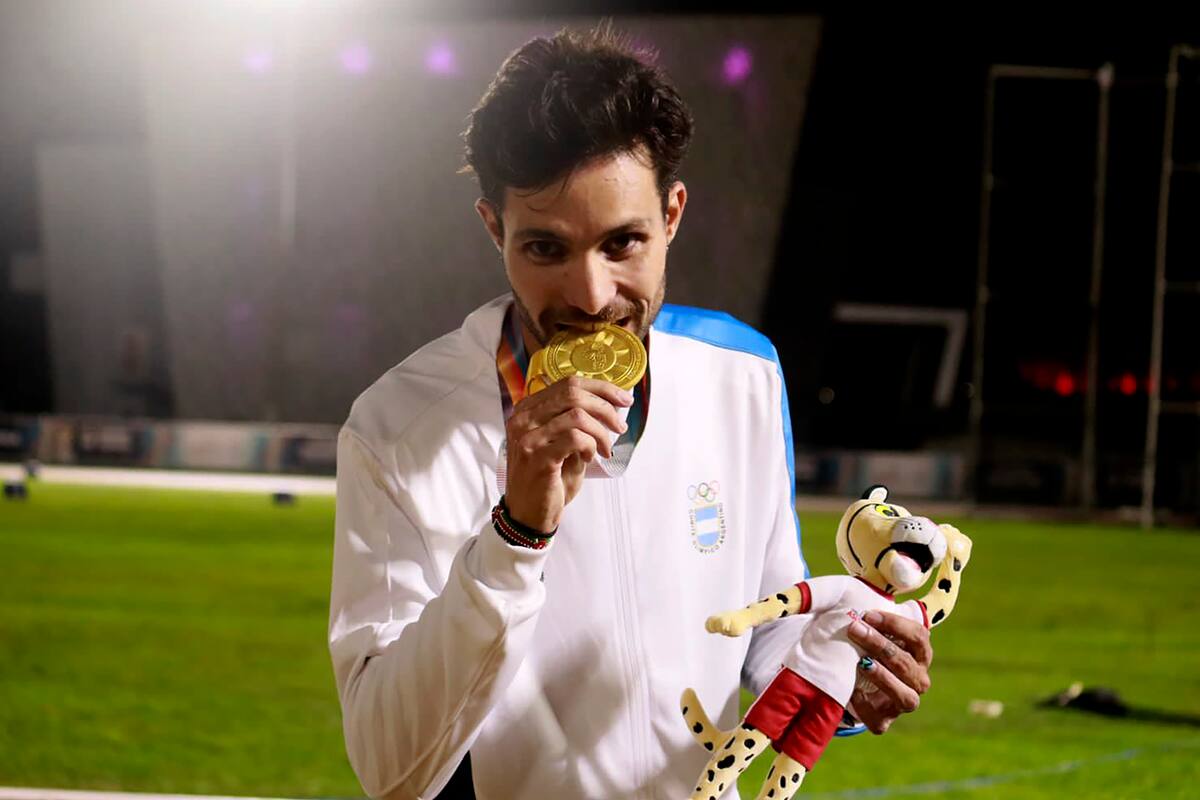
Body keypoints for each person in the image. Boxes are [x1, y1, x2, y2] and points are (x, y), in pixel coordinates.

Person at [328, 25, 932, 800]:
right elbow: (389, 765)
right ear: (494, 230)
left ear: (672, 215)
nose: (590, 295)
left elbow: (759, 625)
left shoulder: (742, 373)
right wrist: (515, 534)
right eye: (546, 249)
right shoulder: (399, 427)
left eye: (623, 243)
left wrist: (845, 667)